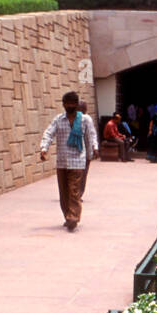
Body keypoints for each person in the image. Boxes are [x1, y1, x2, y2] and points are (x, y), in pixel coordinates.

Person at [39, 91, 98, 231]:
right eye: (68, 103)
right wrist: (44, 148)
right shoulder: (58, 120)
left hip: (77, 161)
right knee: (64, 192)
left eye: (73, 103)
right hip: (62, 161)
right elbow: (49, 133)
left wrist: (94, 148)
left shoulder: (85, 120)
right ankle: (67, 215)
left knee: (74, 190)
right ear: (63, 104)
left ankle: (73, 217)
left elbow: (91, 135)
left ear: (77, 105)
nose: (70, 106)